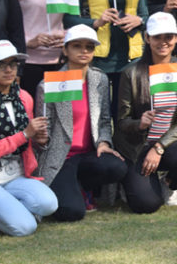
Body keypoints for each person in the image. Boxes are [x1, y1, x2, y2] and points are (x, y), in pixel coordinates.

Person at [33, 25, 127, 221]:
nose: (84, 51)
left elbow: (103, 120)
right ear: (65, 50)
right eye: (77, 46)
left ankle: (83, 187)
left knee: (117, 167)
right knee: (71, 212)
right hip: (61, 157)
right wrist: (41, 139)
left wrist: (103, 142)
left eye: (89, 46)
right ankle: (72, 189)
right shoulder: (48, 85)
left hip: (89, 154)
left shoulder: (99, 79)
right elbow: (43, 129)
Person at [115, 13, 177, 212]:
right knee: (146, 205)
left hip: (168, 142)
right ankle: (130, 182)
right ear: (147, 38)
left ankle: (170, 185)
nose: (163, 42)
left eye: (168, 37)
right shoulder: (132, 72)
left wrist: (160, 147)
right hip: (137, 146)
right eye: (157, 37)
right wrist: (139, 123)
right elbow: (121, 121)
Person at [0, 40, 57, 236]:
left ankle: (4, 206)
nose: (8, 70)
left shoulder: (23, 97)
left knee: (49, 204)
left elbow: (27, 142)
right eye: (1, 65)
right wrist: (24, 135)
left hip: (16, 175)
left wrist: (38, 139)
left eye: (13, 64)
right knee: (26, 227)